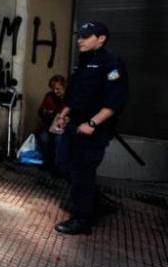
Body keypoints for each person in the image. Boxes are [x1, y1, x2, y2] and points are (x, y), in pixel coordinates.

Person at [54, 21, 128, 235]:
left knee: (82, 172)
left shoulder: (112, 62)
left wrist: (93, 123)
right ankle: (94, 201)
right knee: (62, 163)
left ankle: (82, 220)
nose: (80, 40)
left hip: (94, 129)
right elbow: (75, 94)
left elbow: (115, 101)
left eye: (86, 37)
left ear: (101, 38)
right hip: (74, 125)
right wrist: (63, 114)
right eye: (80, 36)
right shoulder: (83, 62)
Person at [36, 75, 66, 174]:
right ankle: (47, 162)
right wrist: (46, 112)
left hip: (63, 127)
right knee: (43, 137)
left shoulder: (69, 98)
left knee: (59, 139)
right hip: (49, 125)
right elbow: (40, 111)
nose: (55, 91)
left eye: (58, 89)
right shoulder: (49, 96)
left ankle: (58, 166)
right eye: (53, 89)